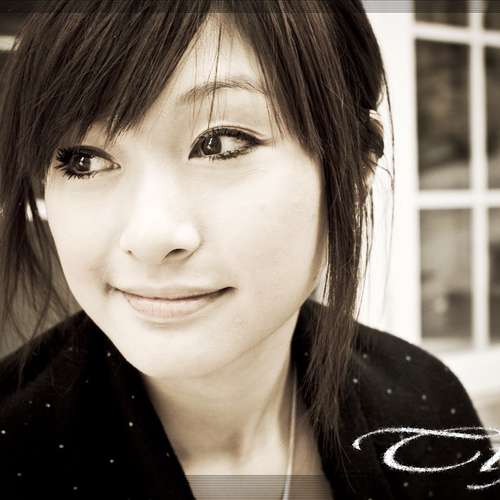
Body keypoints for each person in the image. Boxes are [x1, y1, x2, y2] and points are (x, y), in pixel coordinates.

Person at [0, 1, 498, 498]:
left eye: (219, 143)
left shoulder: (424, 406)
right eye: (83, 160)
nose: (149, 236)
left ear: (356, 166)